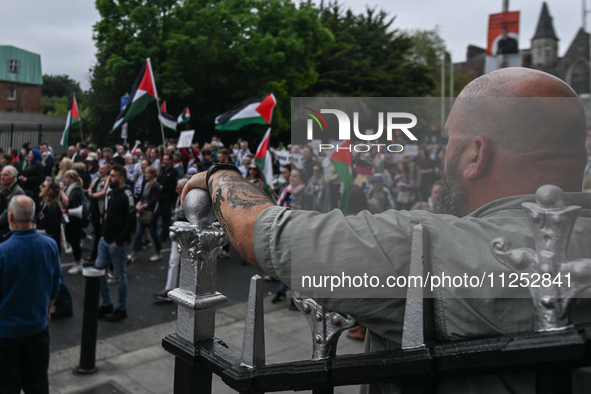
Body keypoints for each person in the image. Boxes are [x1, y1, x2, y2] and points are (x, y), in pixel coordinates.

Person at [181, 68, 591, 393]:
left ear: (475, 155)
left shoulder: (431, 247)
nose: (442, 152)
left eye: (450, 140)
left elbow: (259, 232)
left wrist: (220, 176)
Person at [0, 195, 61, 393]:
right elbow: (55, 282)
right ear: (33, 214)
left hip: (7, 332)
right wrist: (48, 309)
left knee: (8, 385)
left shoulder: (3, 251)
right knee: (37, 383)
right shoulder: (50, 245)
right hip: (37, 328)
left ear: (10, 217)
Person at [94, 166, 136, 322]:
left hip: (117, 243)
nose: (109, 178)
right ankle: (106, 304)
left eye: (112, 176)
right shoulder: (110, 192)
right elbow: (107, 214)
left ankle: (121, 308)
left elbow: (131, 222)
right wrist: (103, 235)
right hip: (105, 241)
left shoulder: (127, 194)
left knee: (119, 276)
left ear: (121, 178)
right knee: (99, 272)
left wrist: (118, 241)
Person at [37, 177, 73, 319]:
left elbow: (52, 231)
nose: (40, 187)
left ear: (50, 190)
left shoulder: (54, 209)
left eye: (43, 186)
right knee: (53, 277)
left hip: (51, 248)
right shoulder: (44, 205)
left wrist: (34, 232)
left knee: (56, 278)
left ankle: (66, 306)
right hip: (45, 245)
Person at [154, 178, 189, 302]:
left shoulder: (187, 200)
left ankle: (181, 289)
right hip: (177, 232)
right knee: (174, 261)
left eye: (178, 187)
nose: (176, 189)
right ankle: (170, 289)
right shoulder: (178, 197)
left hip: (184, 233)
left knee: (183, 262)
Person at [129, 166, 163, 262]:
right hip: (145, 212)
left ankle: (158, 252)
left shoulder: (155, 185)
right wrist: (139, 204)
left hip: (151, 214)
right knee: (139, 233)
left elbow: (154, 201)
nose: (145, 174)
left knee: (153, 233)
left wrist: (142, 206)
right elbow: (143, 197)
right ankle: (134, 252)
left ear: (152, 174)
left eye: (147, 172)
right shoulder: (147, 183)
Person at [60, 170, 85, 274]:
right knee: (70, 238)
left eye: (66, 178)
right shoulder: (68, 188)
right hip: (69, 218)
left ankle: (78, 263)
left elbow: (69, 202)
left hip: (74, 219)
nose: (64, 180)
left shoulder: (76, 190)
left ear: (73, 179)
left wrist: (61, 191)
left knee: (75, 241)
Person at [85, 162, 111, 262]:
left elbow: (104, 193)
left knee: (100, 234)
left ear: (107, 170)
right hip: (94, 209)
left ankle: (96, 255)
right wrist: (92, 193)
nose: (100, 171)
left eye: (103, 169)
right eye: (100, 169)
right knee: (97, 232)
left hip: (101, 210)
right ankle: (98, 254)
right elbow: (89, 189)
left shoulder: (107, 179)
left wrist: (92, 195)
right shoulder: (96, 179)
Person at [0, 166, 25, 242]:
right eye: (1, 175)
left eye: (5, 175)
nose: (2, 177)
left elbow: (7, 213)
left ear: (13, 177)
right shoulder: (3, 188)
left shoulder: (17, 192)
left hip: (8, 229)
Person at [157, 154, 178, 241]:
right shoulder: (162, 170)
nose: (164, 161)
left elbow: (173, 185)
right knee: (162, 215)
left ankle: (166, 233)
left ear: (170, 161)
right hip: (160, 197)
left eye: (166, 160)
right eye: (163, 159)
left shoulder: (173, 172)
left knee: (166, 216)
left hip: (168, 197)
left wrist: (164, 187)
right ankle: (165, 231)